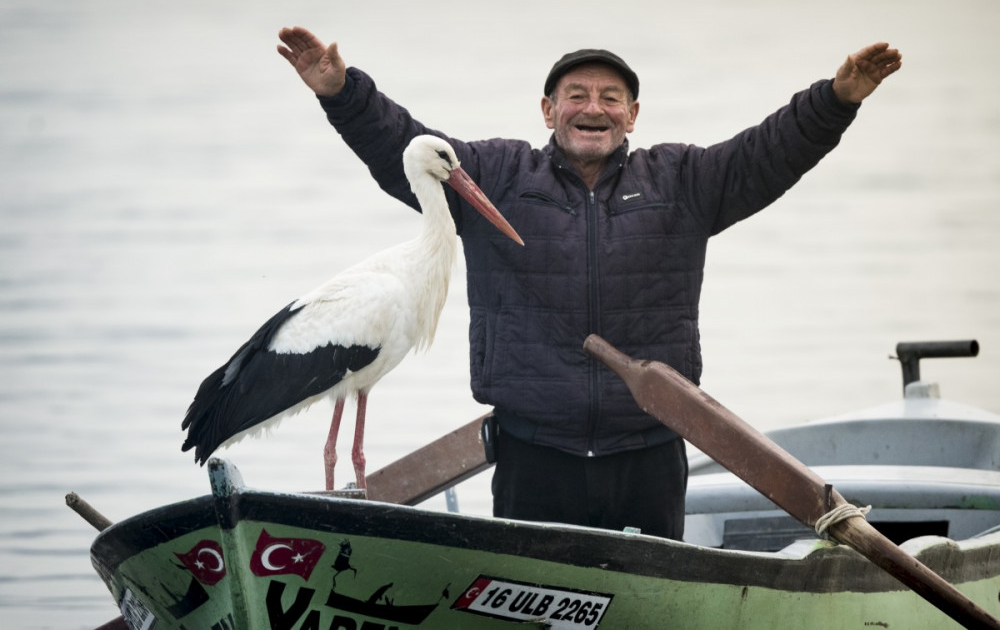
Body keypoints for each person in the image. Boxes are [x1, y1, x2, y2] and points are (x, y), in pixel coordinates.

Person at [277, 27, 901, 540]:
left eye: (610, 96)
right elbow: (404, 148)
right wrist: (341, 92)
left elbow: (769, 152)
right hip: (533, 453)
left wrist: (837, 98)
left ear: (632, 114)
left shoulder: (683, 180)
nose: (593, 107)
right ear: (548, 110)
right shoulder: (494, 174)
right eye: (576, 94)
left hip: (650, 449)